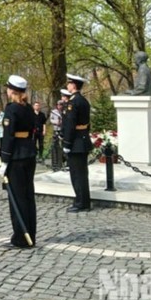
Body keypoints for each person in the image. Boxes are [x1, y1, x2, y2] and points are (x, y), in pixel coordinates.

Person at [0, 75, 37, 249]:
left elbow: (8, 136)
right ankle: (31, 234)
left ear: (12, 91)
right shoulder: (28, 108)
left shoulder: (11, 109)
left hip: (16, 157)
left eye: (8, 88)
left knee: (17, 198)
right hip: (29, 154)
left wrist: (4, 160)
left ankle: (20, 237)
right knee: (28, 197)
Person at [62, 73, 93, 212]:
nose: (67, 86)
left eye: (69, 83)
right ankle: (83, 200)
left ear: (73, 85)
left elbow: (70, 124)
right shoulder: (84, 101)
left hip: (76, 142)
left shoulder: (73, 102)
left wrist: (67, 143)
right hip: (83, 139)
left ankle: (81, 202)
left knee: (77, 174)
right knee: (82, 174)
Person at [49, 100, 65, 170]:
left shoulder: (64, 112)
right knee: (54, 147)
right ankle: (55, 164)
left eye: (61, 105)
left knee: (62, 147)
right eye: (58, 105)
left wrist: (62, 122)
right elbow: (51, 120)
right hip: (56, 130)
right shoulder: (53, 112)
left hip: (62, 130)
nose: (60, 106)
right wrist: (56, 122)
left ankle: (61, 162)